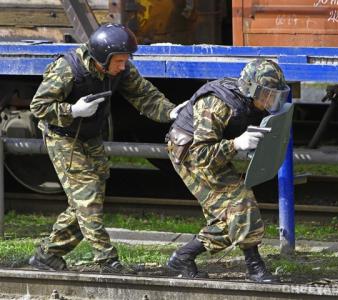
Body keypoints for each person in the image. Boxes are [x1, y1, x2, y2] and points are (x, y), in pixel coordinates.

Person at [29, 23, 183, 273]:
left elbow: (145, 95)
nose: (124, 66)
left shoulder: (118, 68)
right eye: (120, 61)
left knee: (89, 200)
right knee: (87, 199)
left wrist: (171, 111)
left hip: (91, 136)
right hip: (64, 137)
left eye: (125, 60)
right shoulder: (67, 70)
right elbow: (39, 107)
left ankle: (48, 254)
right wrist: (72, 110)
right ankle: (107, 261)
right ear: (102, 59)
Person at [166, 59, 290, 283]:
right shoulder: (216, 104)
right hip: (190, 154)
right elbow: (201, 155)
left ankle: (183, 257)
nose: (271, 100)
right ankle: (254, 266)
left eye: (276, 95)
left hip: (210, 151)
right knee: (242, 203)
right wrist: (237, 144)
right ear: (252, 89)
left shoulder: (252, 102)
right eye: (267, 94)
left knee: (226, 222)